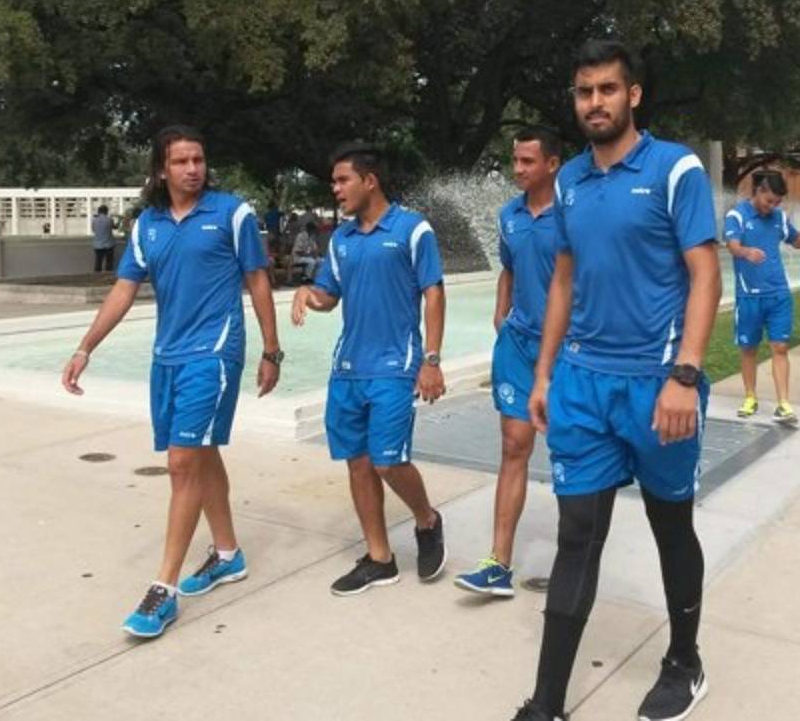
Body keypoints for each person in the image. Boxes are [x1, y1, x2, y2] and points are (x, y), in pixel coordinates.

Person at [513, 40, 720, 721]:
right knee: (578, 534)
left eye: (607, 89)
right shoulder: (569, 178)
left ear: (633, 96)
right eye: (583, 91)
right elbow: (564, 281)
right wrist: (543, 374)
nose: (594, 102)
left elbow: (704, 273)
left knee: (669, 527)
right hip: (581, 384)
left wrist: (685, 375)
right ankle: (546, 704)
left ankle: (684, 661)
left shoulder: (673, 167)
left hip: (657, 384)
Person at [61, 125, 282, 638]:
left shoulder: (232, 213)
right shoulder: (148, 225)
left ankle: (164, 589)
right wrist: (84, 347)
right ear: (161, 170)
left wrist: (271, 350)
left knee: (182, 462)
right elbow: (122, 291)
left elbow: (258, 280)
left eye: (199, 160)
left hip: (215, 353)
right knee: (201, 454)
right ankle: (228, 553)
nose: (192, 169)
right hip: (168, 358)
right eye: (181, 162)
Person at [291, 142, 447, 595]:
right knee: (358, 465)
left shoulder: (413, 229)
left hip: (395, 367)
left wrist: (431, 361)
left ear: (370, 180)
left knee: (388, 462)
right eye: (334, 182)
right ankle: (380, 558)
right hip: (348, 369)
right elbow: (329, 295)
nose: (335, 189)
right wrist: (307, 296)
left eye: (342, 180)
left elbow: (434, 294)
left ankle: (427, 519)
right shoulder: (340, 239)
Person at [455, 127, 562, 598]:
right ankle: (498, 563)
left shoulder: (575, 214)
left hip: (567, 351)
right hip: (518, 346)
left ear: (552, 164)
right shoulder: (508, 216)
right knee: (514, 446)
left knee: (573, 455)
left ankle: (576, 562)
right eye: (514, 161)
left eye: (526, 162)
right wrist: (500, 310)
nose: (517, 170)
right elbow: (510, 268)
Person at [724, 171, 800, 425]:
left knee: (780, 347)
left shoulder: (779, 218)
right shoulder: (737, 215)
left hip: (778, 294)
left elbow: (797, 243)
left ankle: (784, 404)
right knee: (749, 349)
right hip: (749, 296)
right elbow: (732, 246)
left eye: (777, 203)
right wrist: (745, 252)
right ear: (758, 192)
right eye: (769, 201)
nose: (772, 207)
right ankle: (750, 396)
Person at [91, 205, 117, 272]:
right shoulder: (110, 220)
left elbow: (93, 230)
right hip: (109, 244)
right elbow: (114, 227)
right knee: (109, 263)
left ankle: (97, 279)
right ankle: (107, 278)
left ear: (98, 211)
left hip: (98, 245)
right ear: (106, 211)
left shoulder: (94, 220)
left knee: (98, 262)